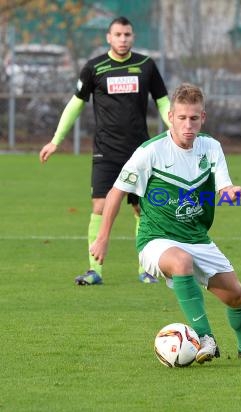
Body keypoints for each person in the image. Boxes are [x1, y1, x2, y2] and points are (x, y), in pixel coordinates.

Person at [89, 83, 241, 363]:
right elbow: (116, 192)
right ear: (170, 116)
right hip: (156, 240)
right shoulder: (151, 152)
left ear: (203, 117)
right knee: (180, 261)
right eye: (182, 118)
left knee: (237, 297)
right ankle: (205, 338)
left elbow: (223, 186)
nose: (188, 125)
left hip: (197, 238)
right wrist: (102, 237)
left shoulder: (210, 147)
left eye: (194, 118)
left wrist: (231, 191)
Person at [39, 16, 170, 286]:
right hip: (106, 151)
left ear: (133, 37)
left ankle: (146, 269)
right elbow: (75, 104)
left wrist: (178, 130)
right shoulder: (94, 67)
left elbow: (163, 102)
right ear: (108, 37)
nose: (123, 39)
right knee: (99, 206)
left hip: (140, 152)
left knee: (141, 210)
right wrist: (56, 139)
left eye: (127, 35)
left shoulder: (146, 66)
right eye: (118, 35)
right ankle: (94, 270)